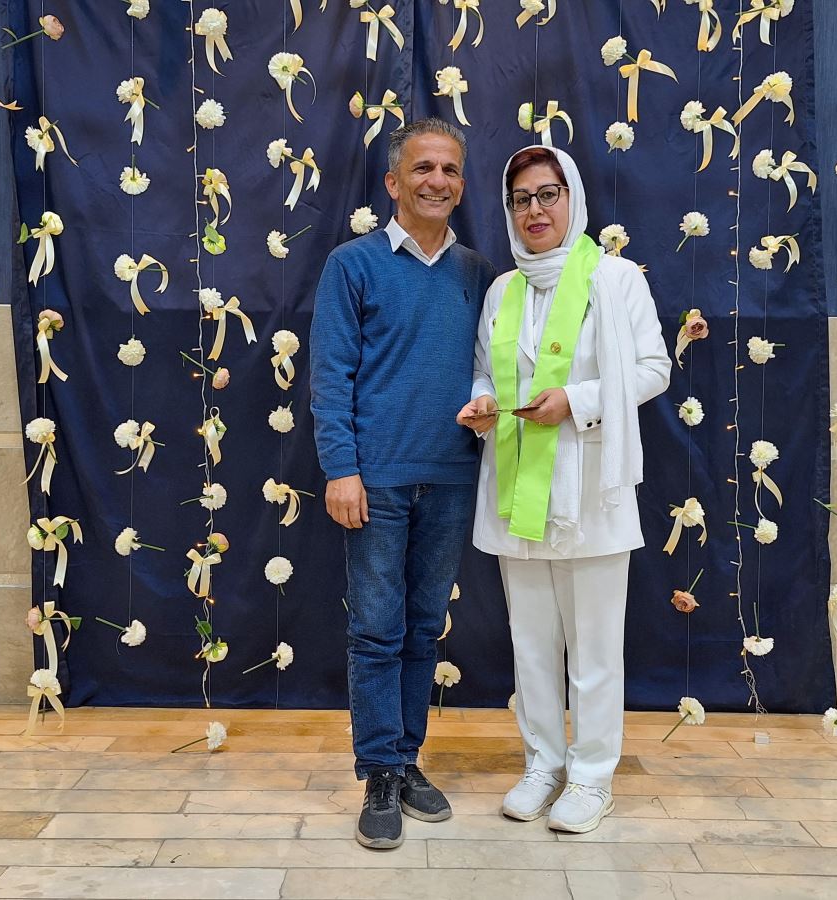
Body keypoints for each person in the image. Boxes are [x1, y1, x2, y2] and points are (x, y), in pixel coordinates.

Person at [455, 145, 671, 834]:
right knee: (532, 646)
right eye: (521, 199)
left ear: (572, 198)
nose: (535, 210)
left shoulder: (615, 279)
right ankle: (542, 765)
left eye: (548, 194)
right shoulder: (503, 291)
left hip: (589, 488)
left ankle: (591, 777)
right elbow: (485, 370)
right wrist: (481, 402)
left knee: (596, 649)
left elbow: (653, 368)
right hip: (518, 485)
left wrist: (577, 402)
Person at [310, 119, 498, 850]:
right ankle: (379, 773)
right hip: (376, 481)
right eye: (423, 168)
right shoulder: (352, 265)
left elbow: (490, 369)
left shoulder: (478, 274)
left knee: (422, 629)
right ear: (393, 182)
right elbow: (331, 376)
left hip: (450, 477)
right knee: (376, 630)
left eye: (449, 170)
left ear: (461, 185)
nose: (436, 181)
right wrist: (341, 469)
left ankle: (407, 757)